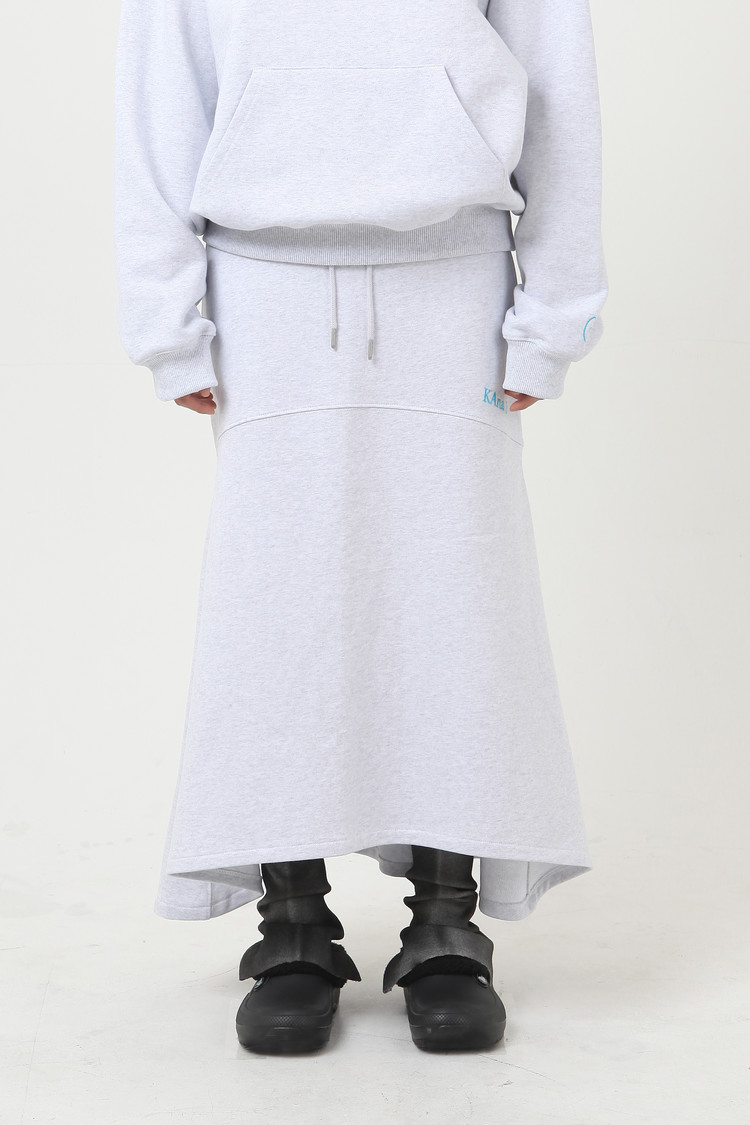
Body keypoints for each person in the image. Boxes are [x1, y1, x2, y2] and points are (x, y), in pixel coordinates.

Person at [113, 0, 608, 1055]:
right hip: (263, 289)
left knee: (457, 602)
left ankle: (446, 924)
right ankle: (292, 923)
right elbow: (161, 89)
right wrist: (167, 323)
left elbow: (559, 89)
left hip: (454, 280)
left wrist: (552, 317)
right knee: (276, 607)